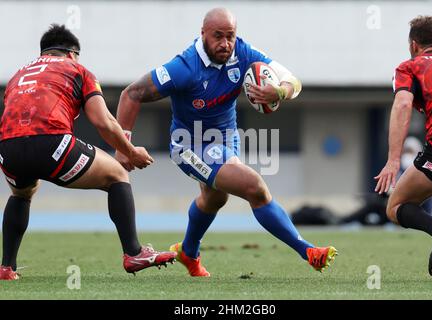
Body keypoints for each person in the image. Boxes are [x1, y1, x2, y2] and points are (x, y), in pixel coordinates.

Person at [116, 8, 337, 277]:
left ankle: (188, 252)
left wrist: (279, 91)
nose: (225, 43)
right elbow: (132, 94)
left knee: (214, 198)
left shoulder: (243, 53)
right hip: (189, 144)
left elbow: (294, 81)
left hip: (226, 138)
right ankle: (308, 251)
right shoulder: (184, 67)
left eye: (230, 36)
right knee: (254, 186)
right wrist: (123, 147)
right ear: (203, 34)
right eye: (217, 36)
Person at [0, 24, 176, 280]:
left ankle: (6, 267)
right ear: (72, 53)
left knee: (22, 192)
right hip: (51, 143)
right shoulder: (77, 69)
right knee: (117, 174)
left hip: (8, 149)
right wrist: (130, 151)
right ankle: (134, 252)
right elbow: (103, 121)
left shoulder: (18, 75)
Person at [375, 16, 432, 277]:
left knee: (395, 207)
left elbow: (404, 104)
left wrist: (394, 160)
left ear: (414, 45)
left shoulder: (410, 66)